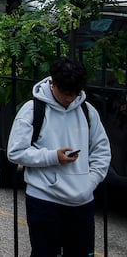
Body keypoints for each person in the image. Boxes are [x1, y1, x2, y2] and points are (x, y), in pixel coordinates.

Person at [7, 57, 112, 257]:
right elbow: (15, 151)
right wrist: (53, 157)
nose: (69, 98)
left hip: (82, 202)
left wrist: (90, 182)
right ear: (52, 83)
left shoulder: (88, 111)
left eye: (74, 93)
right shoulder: (32, 109)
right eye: (65, 92)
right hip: (44, 200)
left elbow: (102, 150)